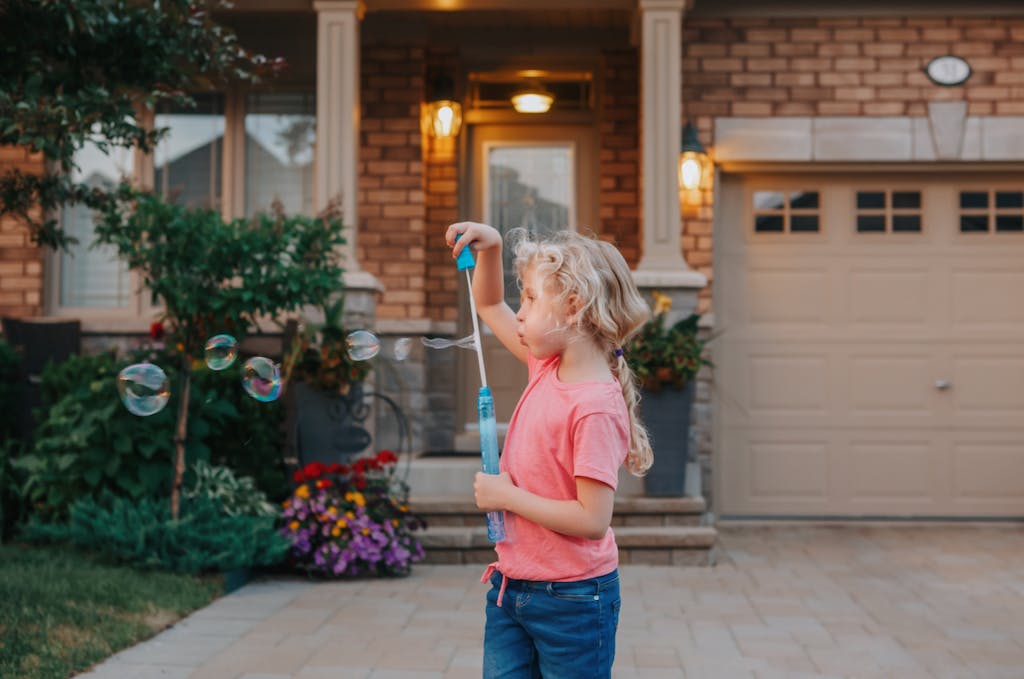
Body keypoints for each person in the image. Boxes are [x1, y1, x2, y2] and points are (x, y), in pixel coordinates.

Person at [445, 221, 654, 679]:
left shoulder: (594, 406)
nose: (520, 313)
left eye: (533, 299)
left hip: (573, 602)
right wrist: (493, 247)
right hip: (511, 589)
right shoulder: (547, 366)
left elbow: (592, 520)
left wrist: (507, 497)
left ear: (574, 308)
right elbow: (487, 302)